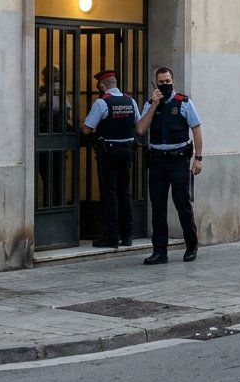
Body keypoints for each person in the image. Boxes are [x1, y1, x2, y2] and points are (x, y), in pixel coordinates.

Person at [135, 66, 203, 264]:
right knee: (158, 207)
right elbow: (140, 129)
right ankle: (159, 251)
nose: (164, 85)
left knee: (182, 204)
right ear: (156, 83)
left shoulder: (184, 102)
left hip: (179, 160)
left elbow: (196, 129)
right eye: (161, 82)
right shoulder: (150, 104)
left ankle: (191, 245)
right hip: (157, 160)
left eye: (167, 81)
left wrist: (198, 158)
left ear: (173, 81)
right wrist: (154, 105)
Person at [80, 70, 137, 248]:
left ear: (103, 86)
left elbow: (87, 129)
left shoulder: (102, 102)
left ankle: (111, 237)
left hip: (109, 153)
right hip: (127, 150)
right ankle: (127, 235)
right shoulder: (130, 100)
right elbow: (139, 123)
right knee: (124, 193)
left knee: (110, 194)